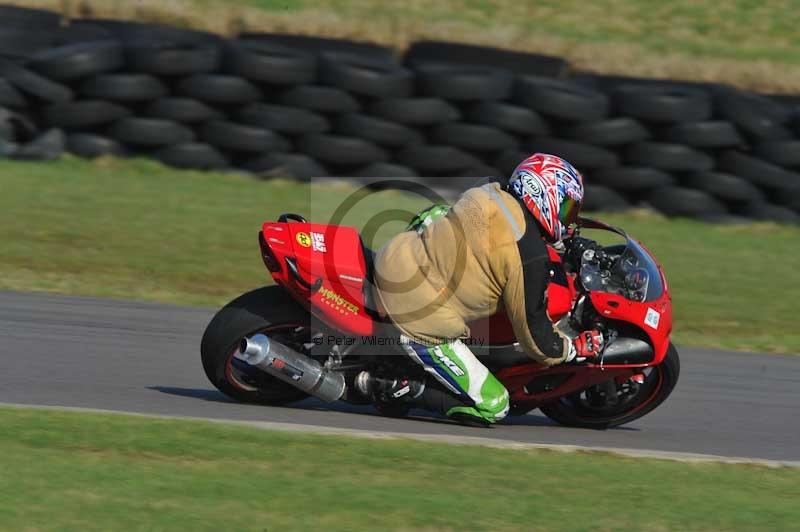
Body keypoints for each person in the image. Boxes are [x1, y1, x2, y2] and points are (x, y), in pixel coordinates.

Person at [359, 153, 605, 426]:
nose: (569, 217)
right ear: (542, 194)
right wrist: (573, 348)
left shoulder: (487, 191)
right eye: (567, 207)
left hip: (392, 257)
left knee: (441, 214)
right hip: (416, 317)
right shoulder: (529, 260)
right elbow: (537, 342)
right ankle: (398, 387)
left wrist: (565, 245)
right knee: (495, 405)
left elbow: (451, 221)